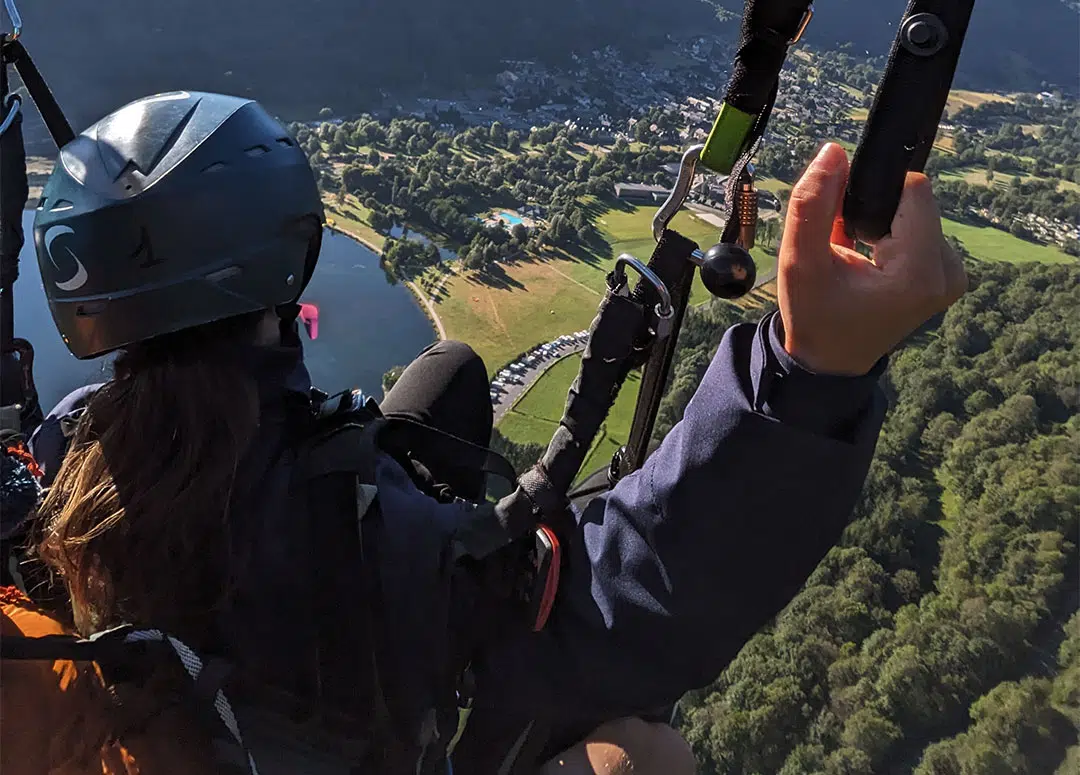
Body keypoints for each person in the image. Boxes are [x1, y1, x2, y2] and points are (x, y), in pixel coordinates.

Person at [17, 91, 965, 775]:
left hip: (191, 717)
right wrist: (810, 374)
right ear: (289, 253)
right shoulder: (370, 548)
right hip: (386, 682)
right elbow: (627, 599)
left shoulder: (57, 464)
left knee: (450, 380)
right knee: (649, 754)